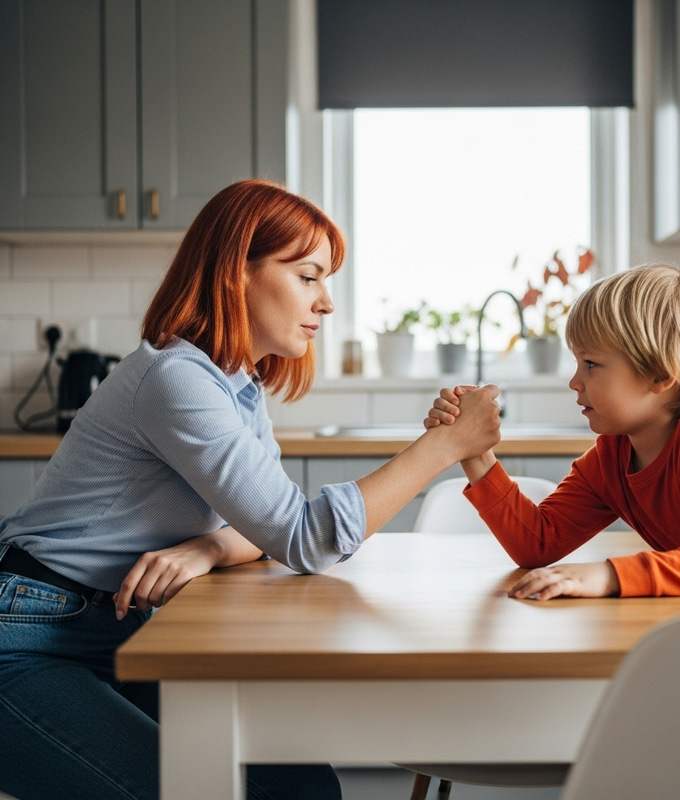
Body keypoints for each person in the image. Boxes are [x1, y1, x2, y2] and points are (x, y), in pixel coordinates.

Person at [0, 179, 502, 800]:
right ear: (237, 272)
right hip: (27, 634)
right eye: (308, 276)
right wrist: (444, 448)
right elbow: (303, 536)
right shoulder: (175, 379)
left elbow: (264, 531)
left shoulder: (237, 385)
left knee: (304, 791)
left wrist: (209, 548)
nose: (326, 304)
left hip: (120, 628)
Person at [424, 263, 680, 601]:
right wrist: (474, 452)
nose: (574, 381)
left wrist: (609, 574)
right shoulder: (613, 457)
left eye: (590, 364)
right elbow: (537, 542)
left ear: (660, 374)